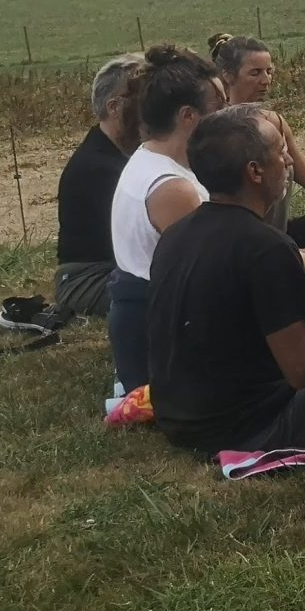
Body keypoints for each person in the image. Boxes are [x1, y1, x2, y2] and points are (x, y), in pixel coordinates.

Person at [147, 104, 305, 456]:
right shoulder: (265, 247)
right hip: (247, 425)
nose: (289, 161)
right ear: (255, 171)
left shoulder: (176, 234)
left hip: (179, 417)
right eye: (281, 152)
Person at [109, 44, 222, 392]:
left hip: (151, 320)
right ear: (188, 116)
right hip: (164, 344)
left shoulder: (149, 159)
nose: (226, 115)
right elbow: (218, 273)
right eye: (218, 109)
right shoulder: (173, 188)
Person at [209, 33, 305, 255]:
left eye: (269, 71)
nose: (265, 81)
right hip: (248, 248)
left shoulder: (275, 122)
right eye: (255, 73)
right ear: (227, 75)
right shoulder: (217, 133)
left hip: (279, 236)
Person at [49, 54, 145, 321]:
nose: (151, 108)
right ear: (115, 107)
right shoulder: (98, 167)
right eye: (143, 99)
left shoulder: (119, 154)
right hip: (86, 280)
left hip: (110, 270)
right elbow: (136, 245)